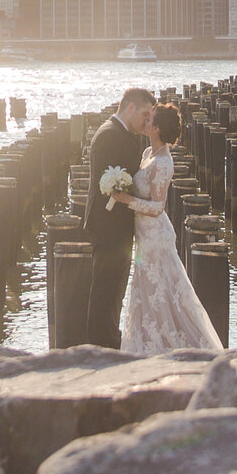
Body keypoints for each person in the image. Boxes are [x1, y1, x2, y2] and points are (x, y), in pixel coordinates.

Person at [111, 102, 225, 354]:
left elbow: (158, 207)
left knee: (161, 292)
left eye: (150, 120)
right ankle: (145, 345)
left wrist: (126, 200)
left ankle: (173, 347)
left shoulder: (163, 162)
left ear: (157, 129)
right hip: (143, 235)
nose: (146, 122)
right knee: (147, 291)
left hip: (154, 236)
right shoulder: (146, 155)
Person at [77, 86, 153, 347]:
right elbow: (106, 184)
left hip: (118, 227)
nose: (146, 121)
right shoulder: (109, 134)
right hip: (108, 226)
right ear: (130, 107)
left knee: (114, 291)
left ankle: (108, 342)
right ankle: (100, 346)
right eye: (144, 114)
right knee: (105, 291)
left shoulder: (123, 133)